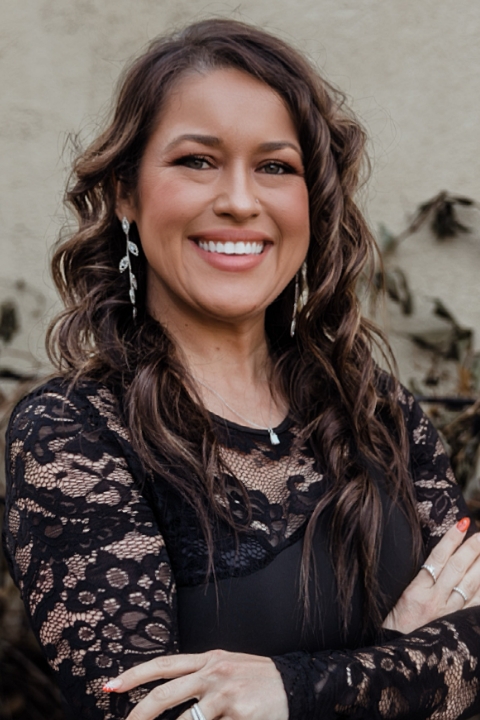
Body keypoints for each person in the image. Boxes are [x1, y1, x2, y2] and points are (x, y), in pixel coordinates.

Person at [3, 18, 480, 720]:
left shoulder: (379, 411)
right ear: (126, 192)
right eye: (197, 160)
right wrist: (402, 661)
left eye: (275, 167)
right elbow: (150, 714)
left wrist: (287, 691)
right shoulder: (74, 434)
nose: (239, 200)